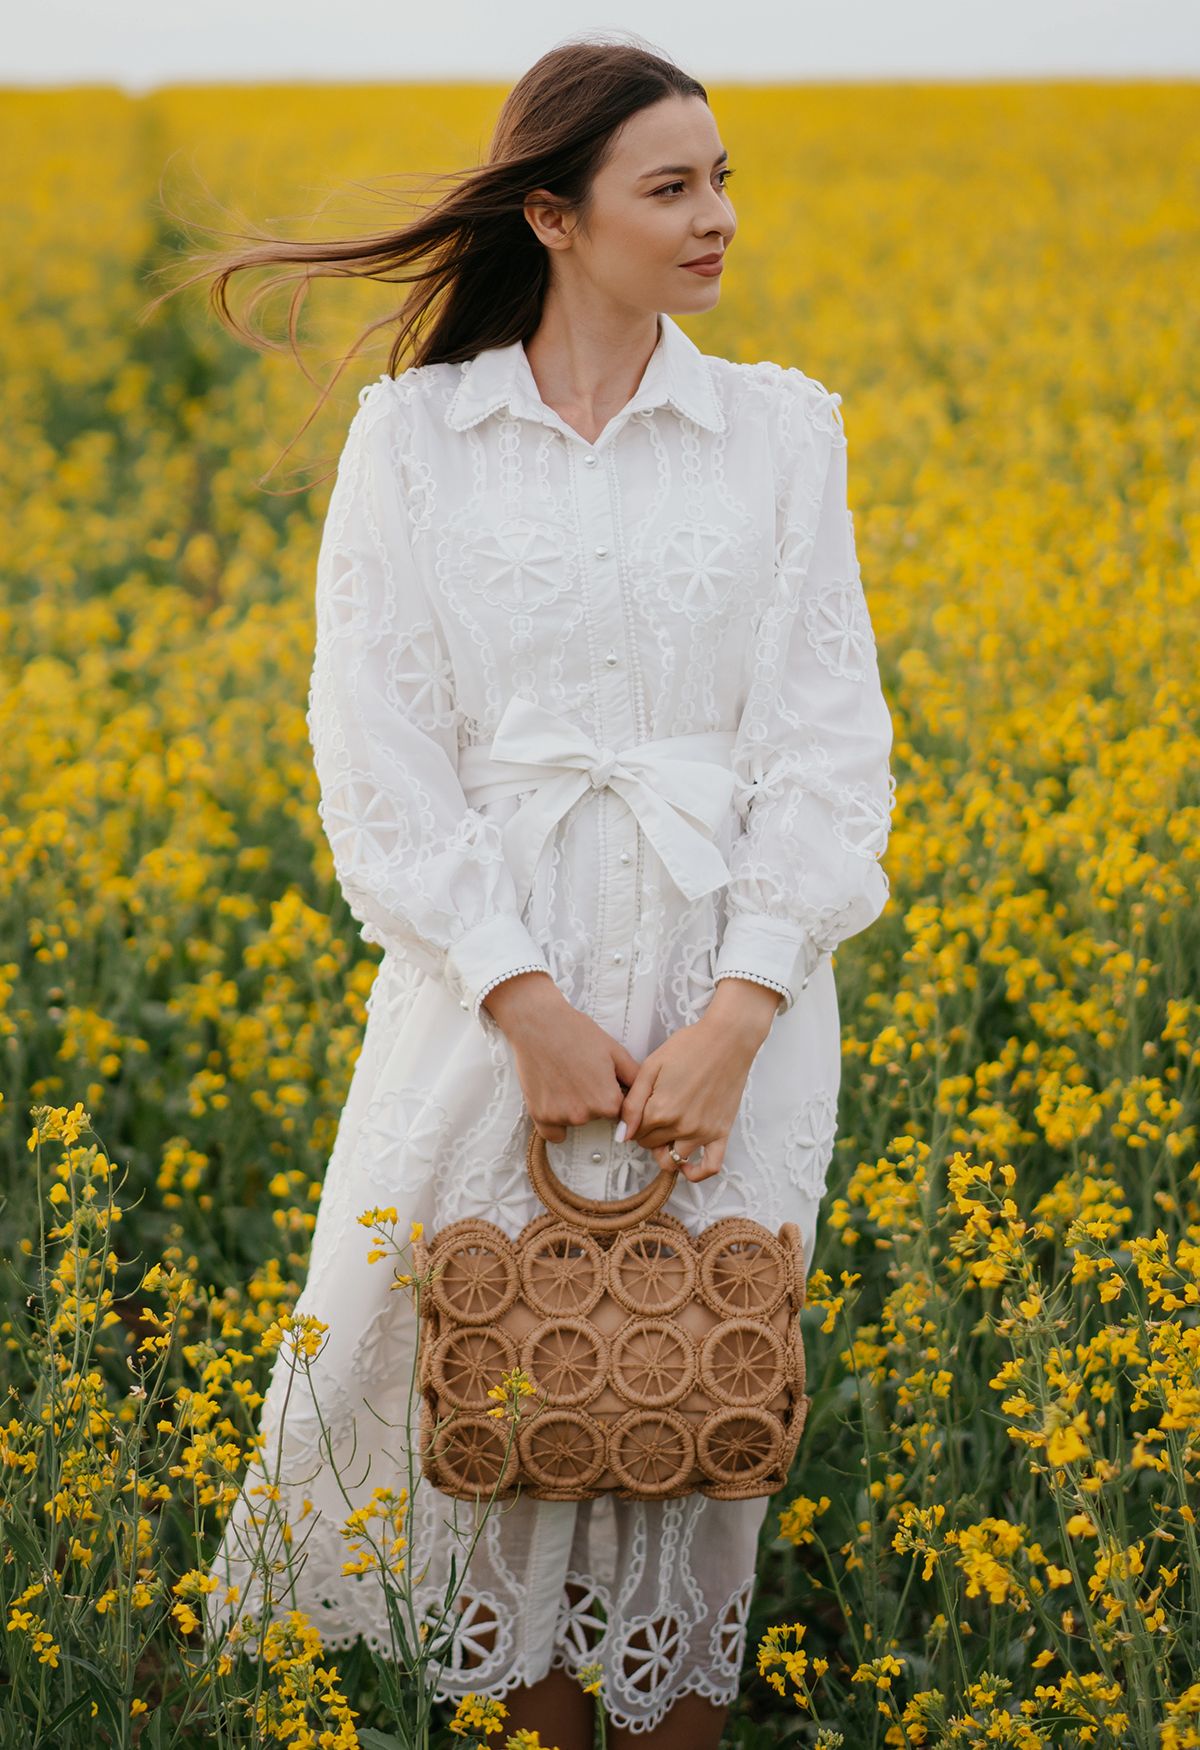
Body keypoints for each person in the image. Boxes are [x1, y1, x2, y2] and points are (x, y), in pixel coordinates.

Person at [195, 31, 895, 1749]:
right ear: (555, 215)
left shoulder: (782, 436)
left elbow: (829, 751)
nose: (719, 216)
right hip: (487, 1006)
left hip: (736, 1006)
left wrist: (738, 1015)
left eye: (724, 178)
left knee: (688, 1431)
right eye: (673, 186)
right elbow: (380, 760)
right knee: (503, 1431)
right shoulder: (418, 440)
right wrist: (525, 1002)